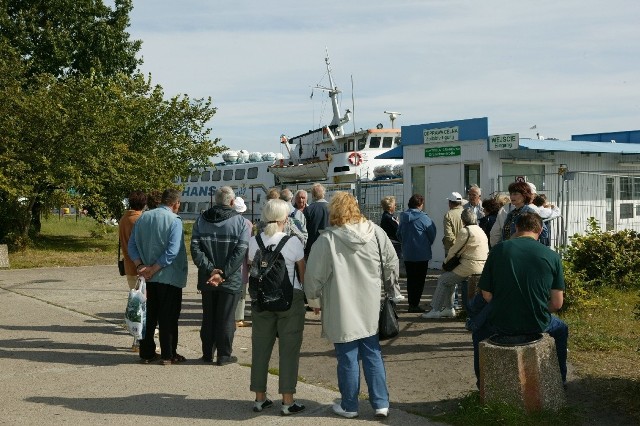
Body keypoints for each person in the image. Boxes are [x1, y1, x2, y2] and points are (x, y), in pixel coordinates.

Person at [305, 192, 398, 419]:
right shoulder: (376, 232)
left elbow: (313, 276)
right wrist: (392, 291)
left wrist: (314, 300)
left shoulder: (328, 239)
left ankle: (349, 405)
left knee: (347, 356)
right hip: (371, 303)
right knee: (372, 352)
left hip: (340, 305)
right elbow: (392, 262)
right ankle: (381, 403)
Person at [472, 212, 569, 386]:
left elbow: (486, 295)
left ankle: (483, 384)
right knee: (561, 329)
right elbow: (556, 303)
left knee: (478, 329)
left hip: (501, 322)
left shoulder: (498, 250)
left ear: (517, 228)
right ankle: (559, 381)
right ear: (539, 231)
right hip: (537, 322)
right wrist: (535, 306)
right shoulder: (552, 256)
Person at [248, 199, 307, 416]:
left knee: (260, 348)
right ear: (285, 219)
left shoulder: (254, 242)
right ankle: (288, 400)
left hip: (262, 301)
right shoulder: (292, 242)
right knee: (289, 350)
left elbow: (252, 267)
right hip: (290, 299)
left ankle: (259, 398)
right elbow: (302, 273)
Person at [191, 186, 250, 365]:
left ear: (216, 201)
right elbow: (240, 251)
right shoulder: (240, 222)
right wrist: (223, 273)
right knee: (226, 318)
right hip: (229, 279)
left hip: (207, 279)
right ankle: (224, 355)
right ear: (232, 202)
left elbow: (195, 249)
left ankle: (207, 353)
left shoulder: (201, 220)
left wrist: (211, 270)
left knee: (208, 317)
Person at [128, 188, 188, 365]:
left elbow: (132, 246)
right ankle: (168, 355)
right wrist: (154, 268)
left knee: (149, 316)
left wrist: (141, 266)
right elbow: (172, 251)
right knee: (168, 317)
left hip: (147, 277)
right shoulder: (175, 220)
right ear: (176, 203)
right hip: (169, 277)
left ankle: (146, 353)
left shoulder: (143, 217)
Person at [423, 209, 488, 318]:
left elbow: (454, 250)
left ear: (463, 220)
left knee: (444, 279)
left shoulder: (465, 231)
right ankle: (448, 308)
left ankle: (436, 309)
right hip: (481, 265)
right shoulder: (480, 230)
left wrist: (445, 264)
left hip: (469, 266)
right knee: (450, 280)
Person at [397, 194, 437, 313]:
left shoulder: (403, 218)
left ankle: (411, 303)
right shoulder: (424, 218)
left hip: (408, 254)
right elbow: (432, 234)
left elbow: (398, 234)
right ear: (420, 204)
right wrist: (425, 244)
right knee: (419, 280)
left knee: (410, 279)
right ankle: (415, 304)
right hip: (421, 254)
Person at [119, 190, 147, 351]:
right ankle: (138, 339)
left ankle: (137, 336)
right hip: (140, 267)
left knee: (135, 301)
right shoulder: (139, 220)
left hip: (128, 266)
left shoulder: (124, 219)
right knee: (141, 306)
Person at [233, 197, 253, 328]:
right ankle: (238, 318)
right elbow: (249, 245)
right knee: (241, 292)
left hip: (228, 262)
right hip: (242, 263)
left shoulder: (226, 221)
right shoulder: (247, 224)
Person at [303, 183, 329, 259]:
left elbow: (305, 229)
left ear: (313, 194)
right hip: (328, 244)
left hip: (313, 246)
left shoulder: (309, 209)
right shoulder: (331, 207)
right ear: (323, 193)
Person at [443, 192, 465, 256]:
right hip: (464, 249)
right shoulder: (466, 212)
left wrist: (457, 246)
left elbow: (449, 235)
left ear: (450, 203)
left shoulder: (448, 215)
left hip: (451, 249)